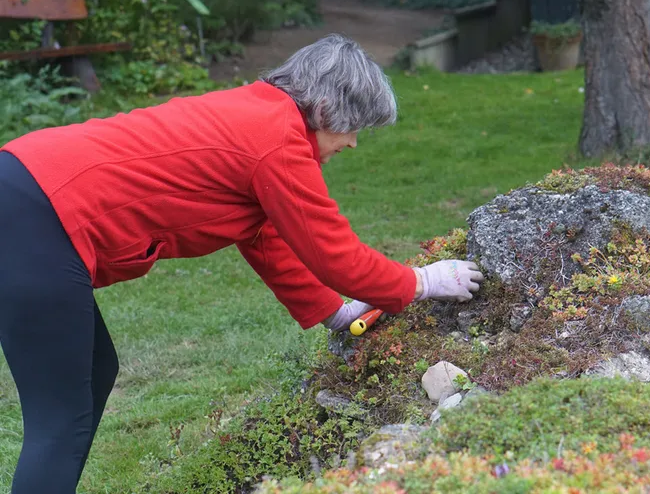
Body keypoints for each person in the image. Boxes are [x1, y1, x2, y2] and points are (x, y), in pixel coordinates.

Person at [0, 33, 484, 493]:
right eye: (352, 127)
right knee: (60, 419)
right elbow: (336, 255)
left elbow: (263, 233)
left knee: (94, 371)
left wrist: (334, 312)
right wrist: (423, 281)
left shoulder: (257, 116)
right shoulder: (277, 140)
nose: (354, 142)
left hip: (27, 194)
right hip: (37, 218)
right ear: (324, 109)